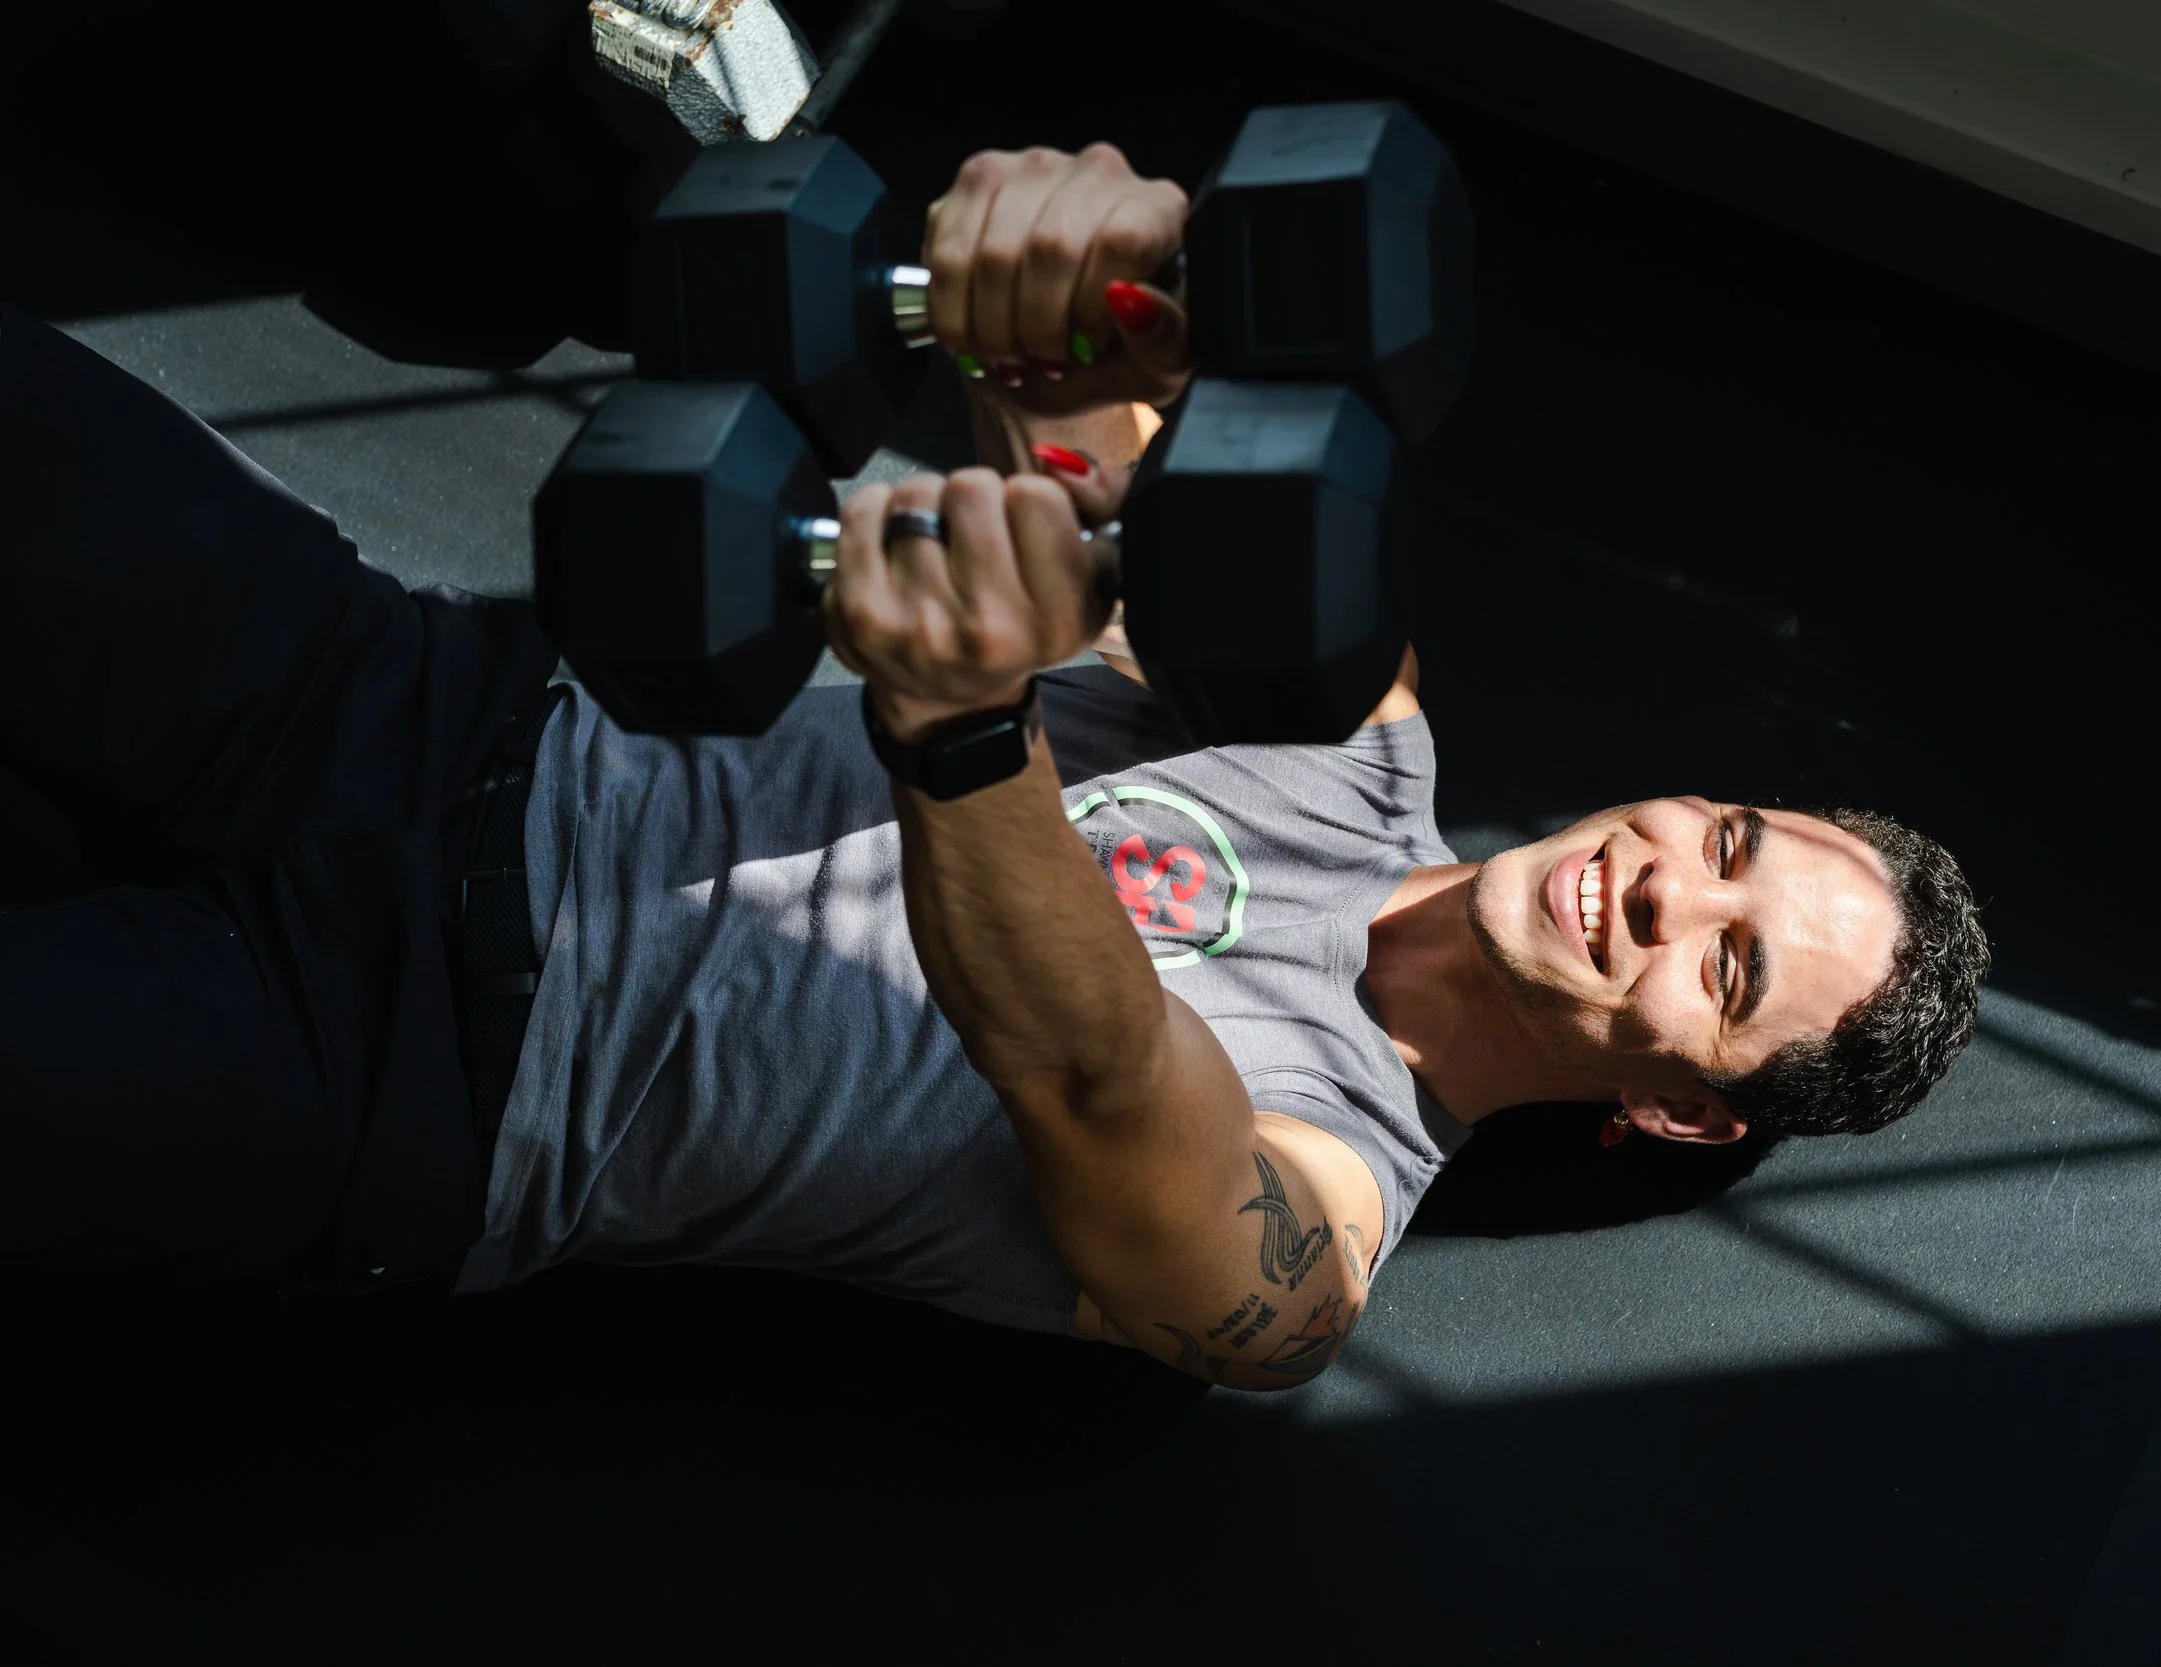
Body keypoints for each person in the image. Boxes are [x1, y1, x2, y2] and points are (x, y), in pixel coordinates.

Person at [0, 139, 1988, 1390]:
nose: (1661, 877)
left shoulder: (1311, 1230)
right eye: (1725, 837)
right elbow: (1108, 419)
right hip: (408, 696)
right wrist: (1086, 283)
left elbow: (1096, 1072)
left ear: (1680, 1116)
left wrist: (960, 725)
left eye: (1720, 962)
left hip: (407, 1075)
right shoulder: (1351, 724)